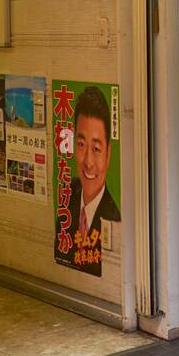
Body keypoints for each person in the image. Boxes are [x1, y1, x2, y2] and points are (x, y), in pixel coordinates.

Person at [63, 86, 120, 273]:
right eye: (81, 145)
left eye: (96, 149)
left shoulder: (114, 216)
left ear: (108, 153)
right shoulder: (67, 196)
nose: (88, 162)